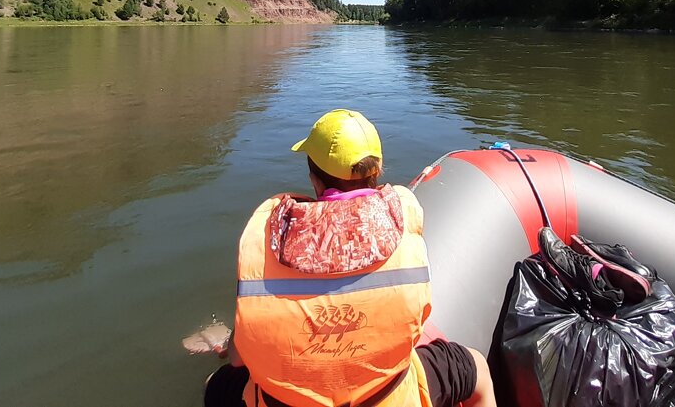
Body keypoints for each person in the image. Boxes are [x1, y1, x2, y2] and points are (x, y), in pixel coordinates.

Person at [202, 108, 497, 407]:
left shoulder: (270, 238)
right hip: (388, 399)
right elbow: (417, 325)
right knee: (478, 371)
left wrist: (230, 344)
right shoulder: (403, 221)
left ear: (315, 181)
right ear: (378, 171)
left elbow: (241, 359)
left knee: (215, 385)